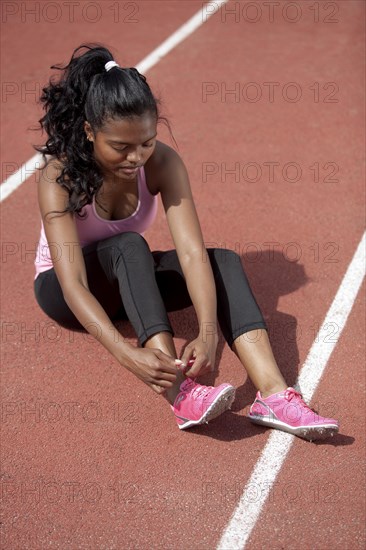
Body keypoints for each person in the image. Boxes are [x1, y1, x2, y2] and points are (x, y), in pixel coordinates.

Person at [33, 44, 339, 440]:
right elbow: (72, 283)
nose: (136, 157)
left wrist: (209, 331)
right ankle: (180, 392)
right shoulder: (58, 176)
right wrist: (129, 356)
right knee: (129, 245)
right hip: (64, 290)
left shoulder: (162, 163)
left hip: (125, 277)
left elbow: (193, 252)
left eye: (145, 142)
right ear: (90, 132)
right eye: (121, 147)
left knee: (223, 261)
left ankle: (275, 396)